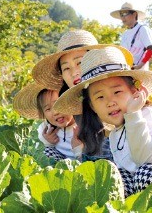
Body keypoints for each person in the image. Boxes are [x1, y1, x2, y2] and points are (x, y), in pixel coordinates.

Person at [53, 46, 152, 212]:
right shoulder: (116, 133)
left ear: (135, 92)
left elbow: (148, 158)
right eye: (100, 97)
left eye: (117, 92)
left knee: (149, 174)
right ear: (93, 107)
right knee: (116, 178)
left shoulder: (150, 115)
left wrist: (133, 114)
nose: (110, 101)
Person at [32, 29, 133, 162]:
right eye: (66, 68)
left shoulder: (124, 95)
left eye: (79, 63)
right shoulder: (77, 107)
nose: (74, 73)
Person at [13, 82, 83, 161]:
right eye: (48, 109)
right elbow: (37, 149)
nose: (55, 112)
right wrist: (47, 142)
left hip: (86, 165)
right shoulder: (47, 129)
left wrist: (78, 150)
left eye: (58, 104)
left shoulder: (85, 124)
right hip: (61, 169)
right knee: (44, 151)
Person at [110, 2, 152, 70]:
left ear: (134, 14)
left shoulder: (142, 29)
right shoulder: (125, 34)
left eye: (125, 13)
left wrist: (139, 66)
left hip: (140, 73)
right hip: (126, 71)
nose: (122, 17)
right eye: (121, 14)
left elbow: (151, 49)